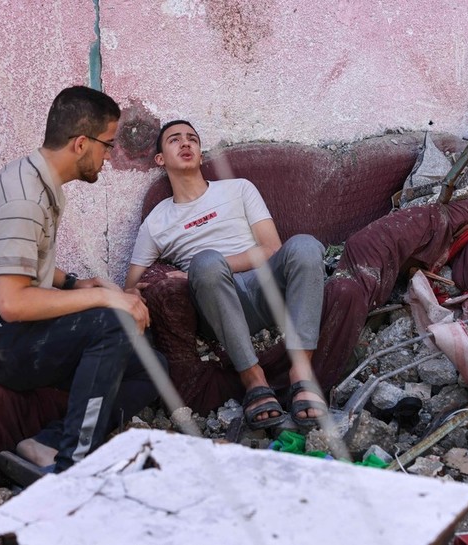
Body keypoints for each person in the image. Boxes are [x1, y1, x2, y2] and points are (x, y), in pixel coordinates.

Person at [0, 86, 166, 483]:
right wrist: (103, 298)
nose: (108, 156)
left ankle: (47, 444)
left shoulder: (41, 184)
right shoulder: (24, 199)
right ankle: (73, 468)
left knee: (152, 365)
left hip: (14, 330)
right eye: (107, 145)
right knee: (113, 321)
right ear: (81, 143)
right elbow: (13, 303)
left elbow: (24, 265)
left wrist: (79, 284)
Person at [124, 120, 327, 430]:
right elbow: (132, 283)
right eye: (175, 140)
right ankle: (253, 379)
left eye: (192, 139)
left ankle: (301, 374)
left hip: (263, 288)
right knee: (206, 262)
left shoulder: (238, 188)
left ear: (200, 153)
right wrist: (140, 292)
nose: (186, 143)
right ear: (160, 159)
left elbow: (272, 248)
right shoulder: (156, 221)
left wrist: (198, 270)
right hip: (214, 302)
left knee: (306, 245)